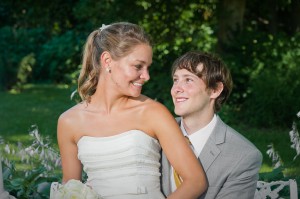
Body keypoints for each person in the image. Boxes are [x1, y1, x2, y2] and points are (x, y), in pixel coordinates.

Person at [54, 22, 207, 199]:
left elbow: (195, 181)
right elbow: (71, 187)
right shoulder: (69, 122)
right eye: (138, 66)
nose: (146, 76)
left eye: (148, 67)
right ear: (107, 61)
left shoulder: (153, 113)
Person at [161, 51, 263, 199]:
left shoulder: (243, 156)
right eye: (175, 80)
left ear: (215, 90)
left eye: (188, 80)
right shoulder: (156, 134)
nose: (176, 89)